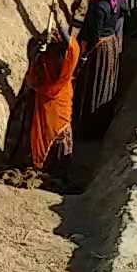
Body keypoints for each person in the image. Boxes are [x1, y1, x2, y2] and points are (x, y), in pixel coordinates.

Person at [12, 26, 82, 171]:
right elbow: (32, 55)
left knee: (48, 132)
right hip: (42, 101)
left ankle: (41, 162)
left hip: (50, 104)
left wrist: (60, 23)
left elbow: (71, 47)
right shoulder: (54, 55)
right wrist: (39, 45)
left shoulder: (63, 61)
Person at [73, 0, 125, 137]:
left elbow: (94, 35)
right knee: (105, 84)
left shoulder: (98, 8)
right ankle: (101, 124)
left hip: (99, 50)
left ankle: (88, 127)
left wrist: (85, 54)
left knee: (91, 84)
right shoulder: (114, 1)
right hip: (111, 45)